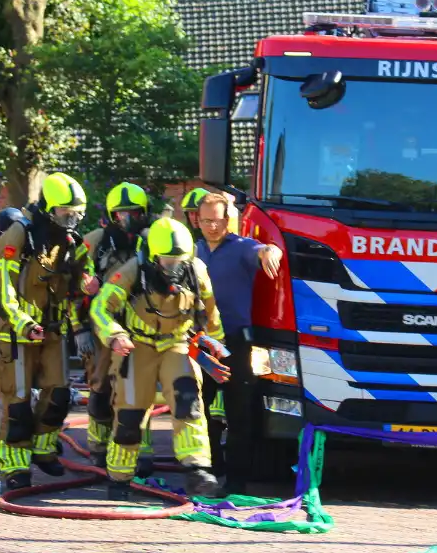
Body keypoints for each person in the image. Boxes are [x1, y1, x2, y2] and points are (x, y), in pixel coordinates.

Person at [90, 217, 225, 500]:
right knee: (130, 414)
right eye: (167, 261)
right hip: (137, 345)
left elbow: (210, 312)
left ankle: (197, 469)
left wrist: (216, 345)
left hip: (177, 343)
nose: (173, 268)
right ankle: (119, 478)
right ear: (153, 257)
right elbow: (101, 306)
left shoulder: (196, 270)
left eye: (179, 261)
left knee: (188, 400)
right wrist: (115, 335)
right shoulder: (131, 271)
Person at [0, 172, 89, 490]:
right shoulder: (20, 235)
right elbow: (1, 289)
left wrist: (81, 315)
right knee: (17, 405)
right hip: (15, 334)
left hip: (52, 331)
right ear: (48, 208)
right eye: (64, 213)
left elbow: (76, 284)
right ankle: (15, 468)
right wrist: (23, 324)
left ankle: (43, 450)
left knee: (59, 395)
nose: (70, 220)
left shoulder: (68, 242)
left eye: (76, 214)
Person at [195, 192, 283, 493]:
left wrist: (272, 252)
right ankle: (207, 471)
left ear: (227, 219)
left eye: (216, 220)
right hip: (201, 343)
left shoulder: (241, 248)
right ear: (197, 220)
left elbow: (265, 250)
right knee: (197, 409)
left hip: (234, 343)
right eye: (205, 220)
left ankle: (236, 481)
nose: (211, 227)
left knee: (239, 411)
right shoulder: (192, 252)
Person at [74, 182, 154, 472]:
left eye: (133, 213)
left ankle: (138, 450)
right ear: (110, 215)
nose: (126, 220)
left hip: (142, 326)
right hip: (101, 326)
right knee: (101, 387)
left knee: (138, 388)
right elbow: (72, 286)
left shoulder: (151, 240)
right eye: (120, 214)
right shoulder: (94, 241)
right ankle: (98, 446)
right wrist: (78, 328)